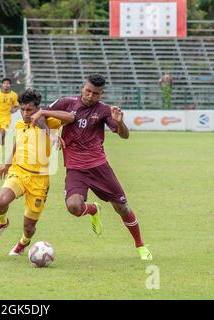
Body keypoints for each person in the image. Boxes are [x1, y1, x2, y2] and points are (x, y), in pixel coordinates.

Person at [30, 74, 152, 260]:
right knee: (73, 207)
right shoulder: (66, 103)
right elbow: (39, 117)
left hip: (99, 168)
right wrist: (51, 135)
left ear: (101, 94)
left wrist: (119, 122)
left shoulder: (104, 110)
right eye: (88, 91)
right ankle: (93, 210)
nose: (90, 96)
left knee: (122, 207)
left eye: (95, 94)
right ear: (82, 88)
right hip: (75, 168)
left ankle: (140, 245)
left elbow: (124, 135)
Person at [0, 89, 71, 255]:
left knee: (29, 227)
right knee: (1, 200)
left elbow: (70, 118)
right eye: (22, 109)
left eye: (29, 110)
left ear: (37, 109)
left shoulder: (49, 121)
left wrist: (46, 118)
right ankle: (2, 223)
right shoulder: (19, 125)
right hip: (18, 172)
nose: (25, 113)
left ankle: (23, 243)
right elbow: (18, 143)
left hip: (39, 180)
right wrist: (7, 163)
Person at [0, 78, 19, 160]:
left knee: (2, 133)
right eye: (5, 83)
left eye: (8, 83)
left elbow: (17, 105)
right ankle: (0, 145)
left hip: (6, 118)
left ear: (10, 85)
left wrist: (14, 110)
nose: (6, 85)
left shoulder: (14, 95)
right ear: (2, 84)